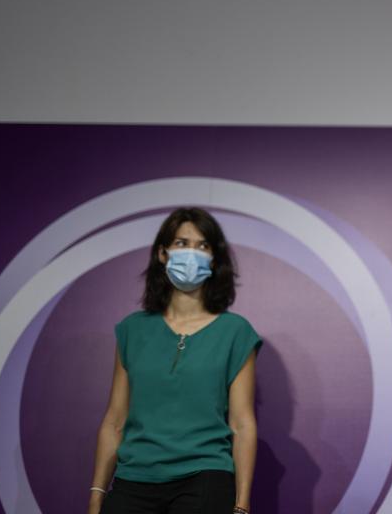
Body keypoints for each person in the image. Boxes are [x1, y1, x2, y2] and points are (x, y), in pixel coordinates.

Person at [88, 207, 262, 514]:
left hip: (204, 478)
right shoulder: (132, 329)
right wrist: (97, 493)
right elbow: (114, 420)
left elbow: (242, 423)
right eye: (181, 243)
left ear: (214, 258)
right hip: (133, 478)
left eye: (202, 245)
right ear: (162, 253)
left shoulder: (236, 332)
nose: (191, 254)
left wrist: (242, 505)